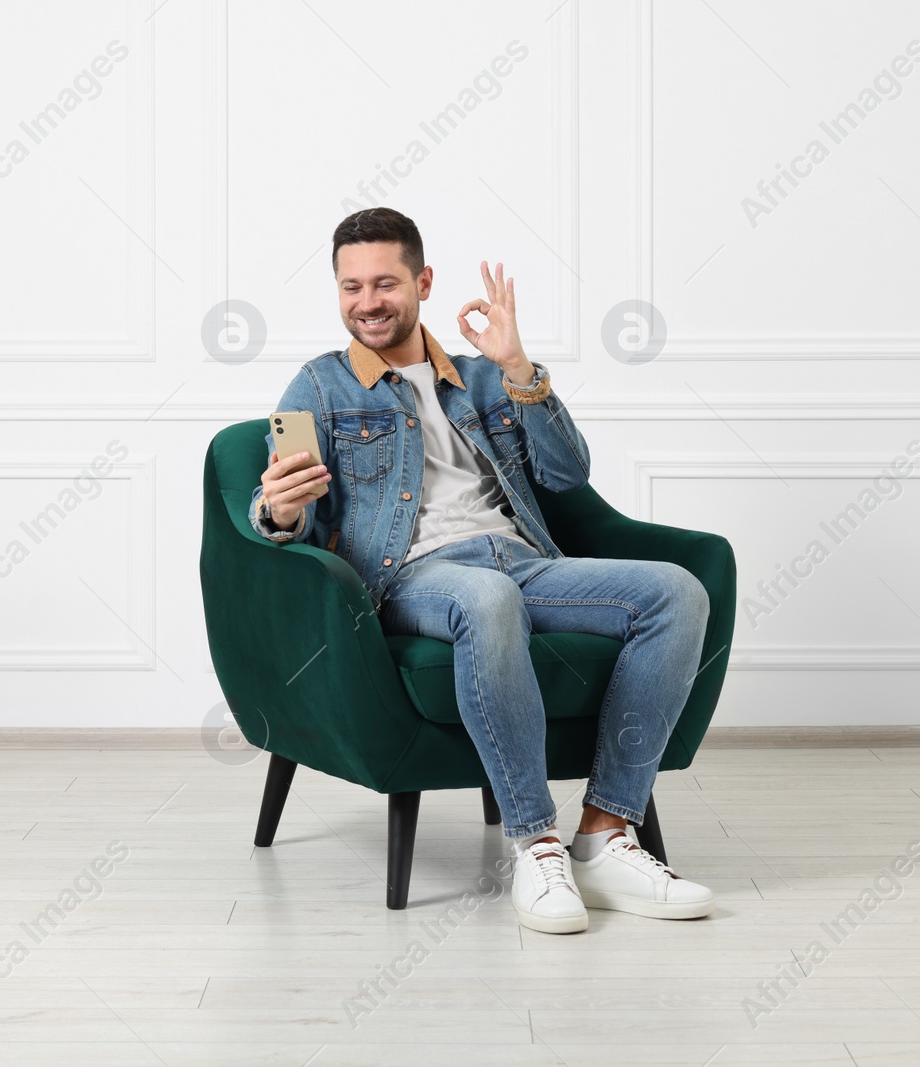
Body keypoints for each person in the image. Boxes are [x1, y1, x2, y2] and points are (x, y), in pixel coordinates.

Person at [249, 207, 713, 933]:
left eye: (384, 283)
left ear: (422, 281)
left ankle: (604, 832)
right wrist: (275, 509)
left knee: (677, 592)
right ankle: (534, 841)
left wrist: (521, 370)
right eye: (350, 287)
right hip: (409, 577)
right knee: (487, 597)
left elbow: (566, 475)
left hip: (521, 561)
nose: (367, 302)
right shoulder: (317, 389)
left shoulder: (482, 378)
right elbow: (291, 509)